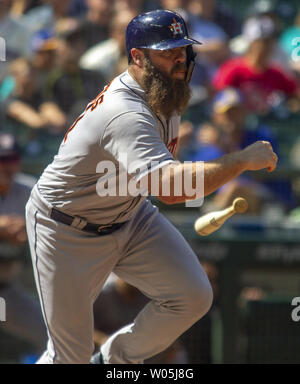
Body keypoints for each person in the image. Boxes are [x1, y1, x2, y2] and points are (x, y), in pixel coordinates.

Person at [25, 9, 278, 364]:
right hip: (66, 228)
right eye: (167, 50)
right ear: (137, 57)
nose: (179, 58)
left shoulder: (166, 90)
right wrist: (239, 161)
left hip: (128, 214)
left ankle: (115, 361)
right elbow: (172, 189)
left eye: (182, 48)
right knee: (70, 357)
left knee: (192, 295)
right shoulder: (125, 112)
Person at [0, 133, 47, 356]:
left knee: (48, 335)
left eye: (12, 159)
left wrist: (28, 229)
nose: (7, 166)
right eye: (2, 159)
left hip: (6, 292)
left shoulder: (30, 190)